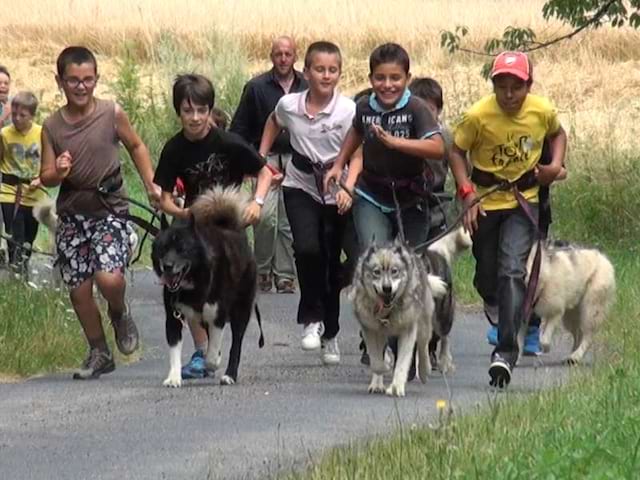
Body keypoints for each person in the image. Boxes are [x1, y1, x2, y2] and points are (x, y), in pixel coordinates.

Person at [40, 46, 161, 380]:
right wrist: (59, 171)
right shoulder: (51, 126)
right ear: (59, 82)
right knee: (79, 291)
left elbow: (136, 145)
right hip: (72, 215)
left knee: (109, 278)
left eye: (87, 80)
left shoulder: (111, 113)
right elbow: (46, 175)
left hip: (109, 209)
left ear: (97, 79)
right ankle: (99, 351)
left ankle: (119, 312)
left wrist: (151, 184)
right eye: (73, 81)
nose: (81, 87)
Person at [449, 51, 567, 387]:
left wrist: (554, 166)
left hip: (523, 201)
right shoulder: (478, 115)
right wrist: (466, 193)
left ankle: (504, 352)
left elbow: (558, 135)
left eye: (517, 87)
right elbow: (456, 152)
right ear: (494, 86)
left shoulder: (542, 111)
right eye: (502, 86)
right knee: (487, 277)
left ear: (528, 85)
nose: (510, 94)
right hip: (486, 200)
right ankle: (500, 309)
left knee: (512, 270)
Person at [154, 73, 272, 379]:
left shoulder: (228, 142)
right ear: (178, 111)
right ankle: (202, 350)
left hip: (229, 227)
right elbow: (163, 199)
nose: (195, 118)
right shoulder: (174, 149)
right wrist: (182, 213)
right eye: (187, 111)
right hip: (194, 229)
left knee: (228, 292)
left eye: (201, 111)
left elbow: (266, 173)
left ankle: (225, 355)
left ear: (210, 110)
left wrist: (256, 203)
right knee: (187, 283)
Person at [259, 41, 356, 365]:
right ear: (306, 71)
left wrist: (348, 188)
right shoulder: (289, 105)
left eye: (333, 70)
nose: (326, 76)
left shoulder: (348, 110)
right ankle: (311, 319)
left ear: (340, 73)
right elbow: (274, 122)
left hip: (336, 189)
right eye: (319, 69)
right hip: (299, 184)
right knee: (307, 249)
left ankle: (331, 333)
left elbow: (359, 151)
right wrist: (262, 156)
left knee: (330, 261)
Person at [325, 42, 444, 253]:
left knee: (409, 261)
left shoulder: (417, 108)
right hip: (372, 193)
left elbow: (437, 148)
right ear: (371, 79)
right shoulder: (364, 106)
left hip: (411, 196)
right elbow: (356, 131)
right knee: (375, 257)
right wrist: (338, 164)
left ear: (407, 79)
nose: (387, 85)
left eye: (395, 78)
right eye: (380, 78)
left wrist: (396, 142)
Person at [231, 36, 307, 294]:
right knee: (264, 218)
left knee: (288, 221)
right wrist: (250, 162)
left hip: (298, 160)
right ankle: (261, 270)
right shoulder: (256, 87)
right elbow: (239, 129)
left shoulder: (306, 86)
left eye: (288, 54)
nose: (283, 59)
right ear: (271, 56)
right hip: (266, 160)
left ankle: (285, 275)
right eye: (278, 54)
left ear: (295, 56)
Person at [0, 91, 47, 273]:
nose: (17, 119)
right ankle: (17, 270)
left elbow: (48, 160)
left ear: (32, 115)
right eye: (14, 115)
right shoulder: (4, 134)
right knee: (15, 234)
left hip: (34, 192)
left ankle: (23, 266)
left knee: (29, 236)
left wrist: (41, 179)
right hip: (8, 190)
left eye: (23, 115)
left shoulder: (42, 133)